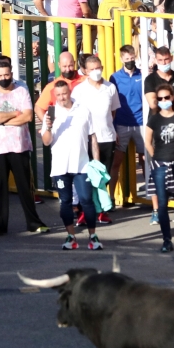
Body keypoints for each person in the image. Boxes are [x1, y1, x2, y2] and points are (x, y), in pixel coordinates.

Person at [0, 59, 48, 237]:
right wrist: (12, 114)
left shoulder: (22, 89)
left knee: (26, 187)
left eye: (7, 75)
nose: (4, 78)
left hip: (20, 145)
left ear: (11, 73)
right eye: (0, 76)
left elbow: (27, 117)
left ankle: (34, 223)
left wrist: (3, 119)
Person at [42, 79, 103, 251]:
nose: (62, 98)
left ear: (70, 93)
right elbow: (46, 142)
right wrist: (48, 127)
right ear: (55, 95)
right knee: (66, 202)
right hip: (60, 167)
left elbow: (92, 137)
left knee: (87, 201)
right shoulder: (51, 114)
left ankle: (93, 236)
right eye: (58, 95)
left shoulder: (83, 110)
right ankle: (71, 236)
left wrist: (96, 162)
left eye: (65, 94)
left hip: (82, 165)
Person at [144, 83, 174, 253]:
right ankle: (167, 240)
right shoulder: (154, 119)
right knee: (163, 203)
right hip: (160, 164)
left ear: (172, 97)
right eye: (160, 99)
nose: (164, 100)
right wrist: (156, 157)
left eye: (166, 97)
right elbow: (147, 142)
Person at [70, 55, 118, 223]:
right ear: (85, 71)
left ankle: (102, 211)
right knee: (87, 177)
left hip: (107, 138)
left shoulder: (110, 87)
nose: (96, 72)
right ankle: (85, 211)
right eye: (92, 69)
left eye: (98, 68)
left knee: (102, 176)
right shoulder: (79, 90)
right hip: (87, 140)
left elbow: (113, 112)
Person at [109, 45, 144, 203]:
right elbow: (112, 103)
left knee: (145, 159)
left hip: (141, 122)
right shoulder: (114, 78)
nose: (130, 61)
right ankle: (110, 198)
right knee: (116, 161)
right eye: (127, 59)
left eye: (132, 58)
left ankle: (150, 195)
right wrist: (113, 127)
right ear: (121, 58)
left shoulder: (143, 75)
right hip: (122, 123)